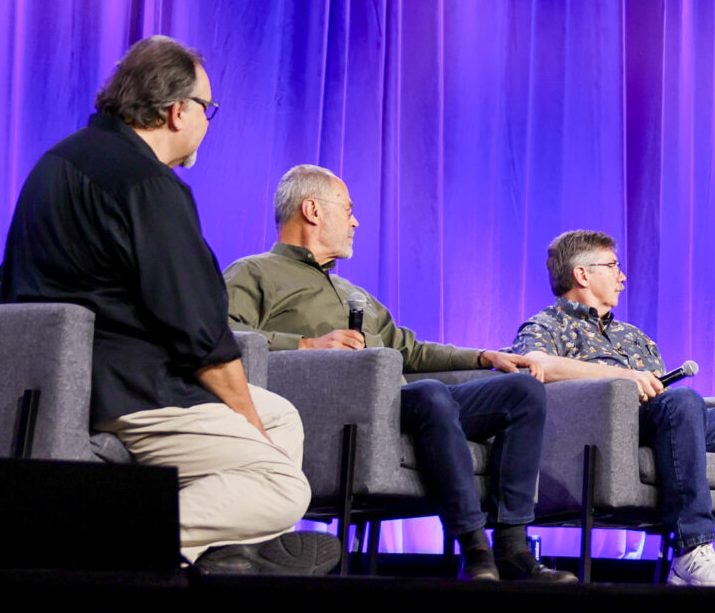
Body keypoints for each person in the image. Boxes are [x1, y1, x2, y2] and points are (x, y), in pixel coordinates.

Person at [0, 36, 337, 575]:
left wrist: (257, 418)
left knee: (285, 416)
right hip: (131, 392)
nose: (208, 121)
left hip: (68, 380)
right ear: (179, 111)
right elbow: (200, 332)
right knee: (283, 484)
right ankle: (106, 542)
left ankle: (226, 555)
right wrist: (246, 421)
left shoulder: (58, 161)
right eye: (209, 109)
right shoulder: (148, 184)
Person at [223, 166, 573, 584]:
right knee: (429, 395)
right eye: (348, 210)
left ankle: (513, 546)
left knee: (521, 390)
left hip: (406, 401)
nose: (355, 222)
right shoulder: (254, 273)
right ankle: (475, 547)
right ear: (312, 210)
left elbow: (411, 350)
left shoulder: (357, 294)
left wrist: (483, 357)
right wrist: (304, 345)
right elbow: (224, 335)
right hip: (340, 412)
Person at [511, 231, 715, 588]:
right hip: (608, 432)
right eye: (613, 265)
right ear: (582, 274)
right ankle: (692, 549)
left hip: (671, 421)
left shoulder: (633, 336)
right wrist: (624, 377)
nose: (623, 276)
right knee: (681, 401)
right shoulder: (547, 325)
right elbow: (534, 365)